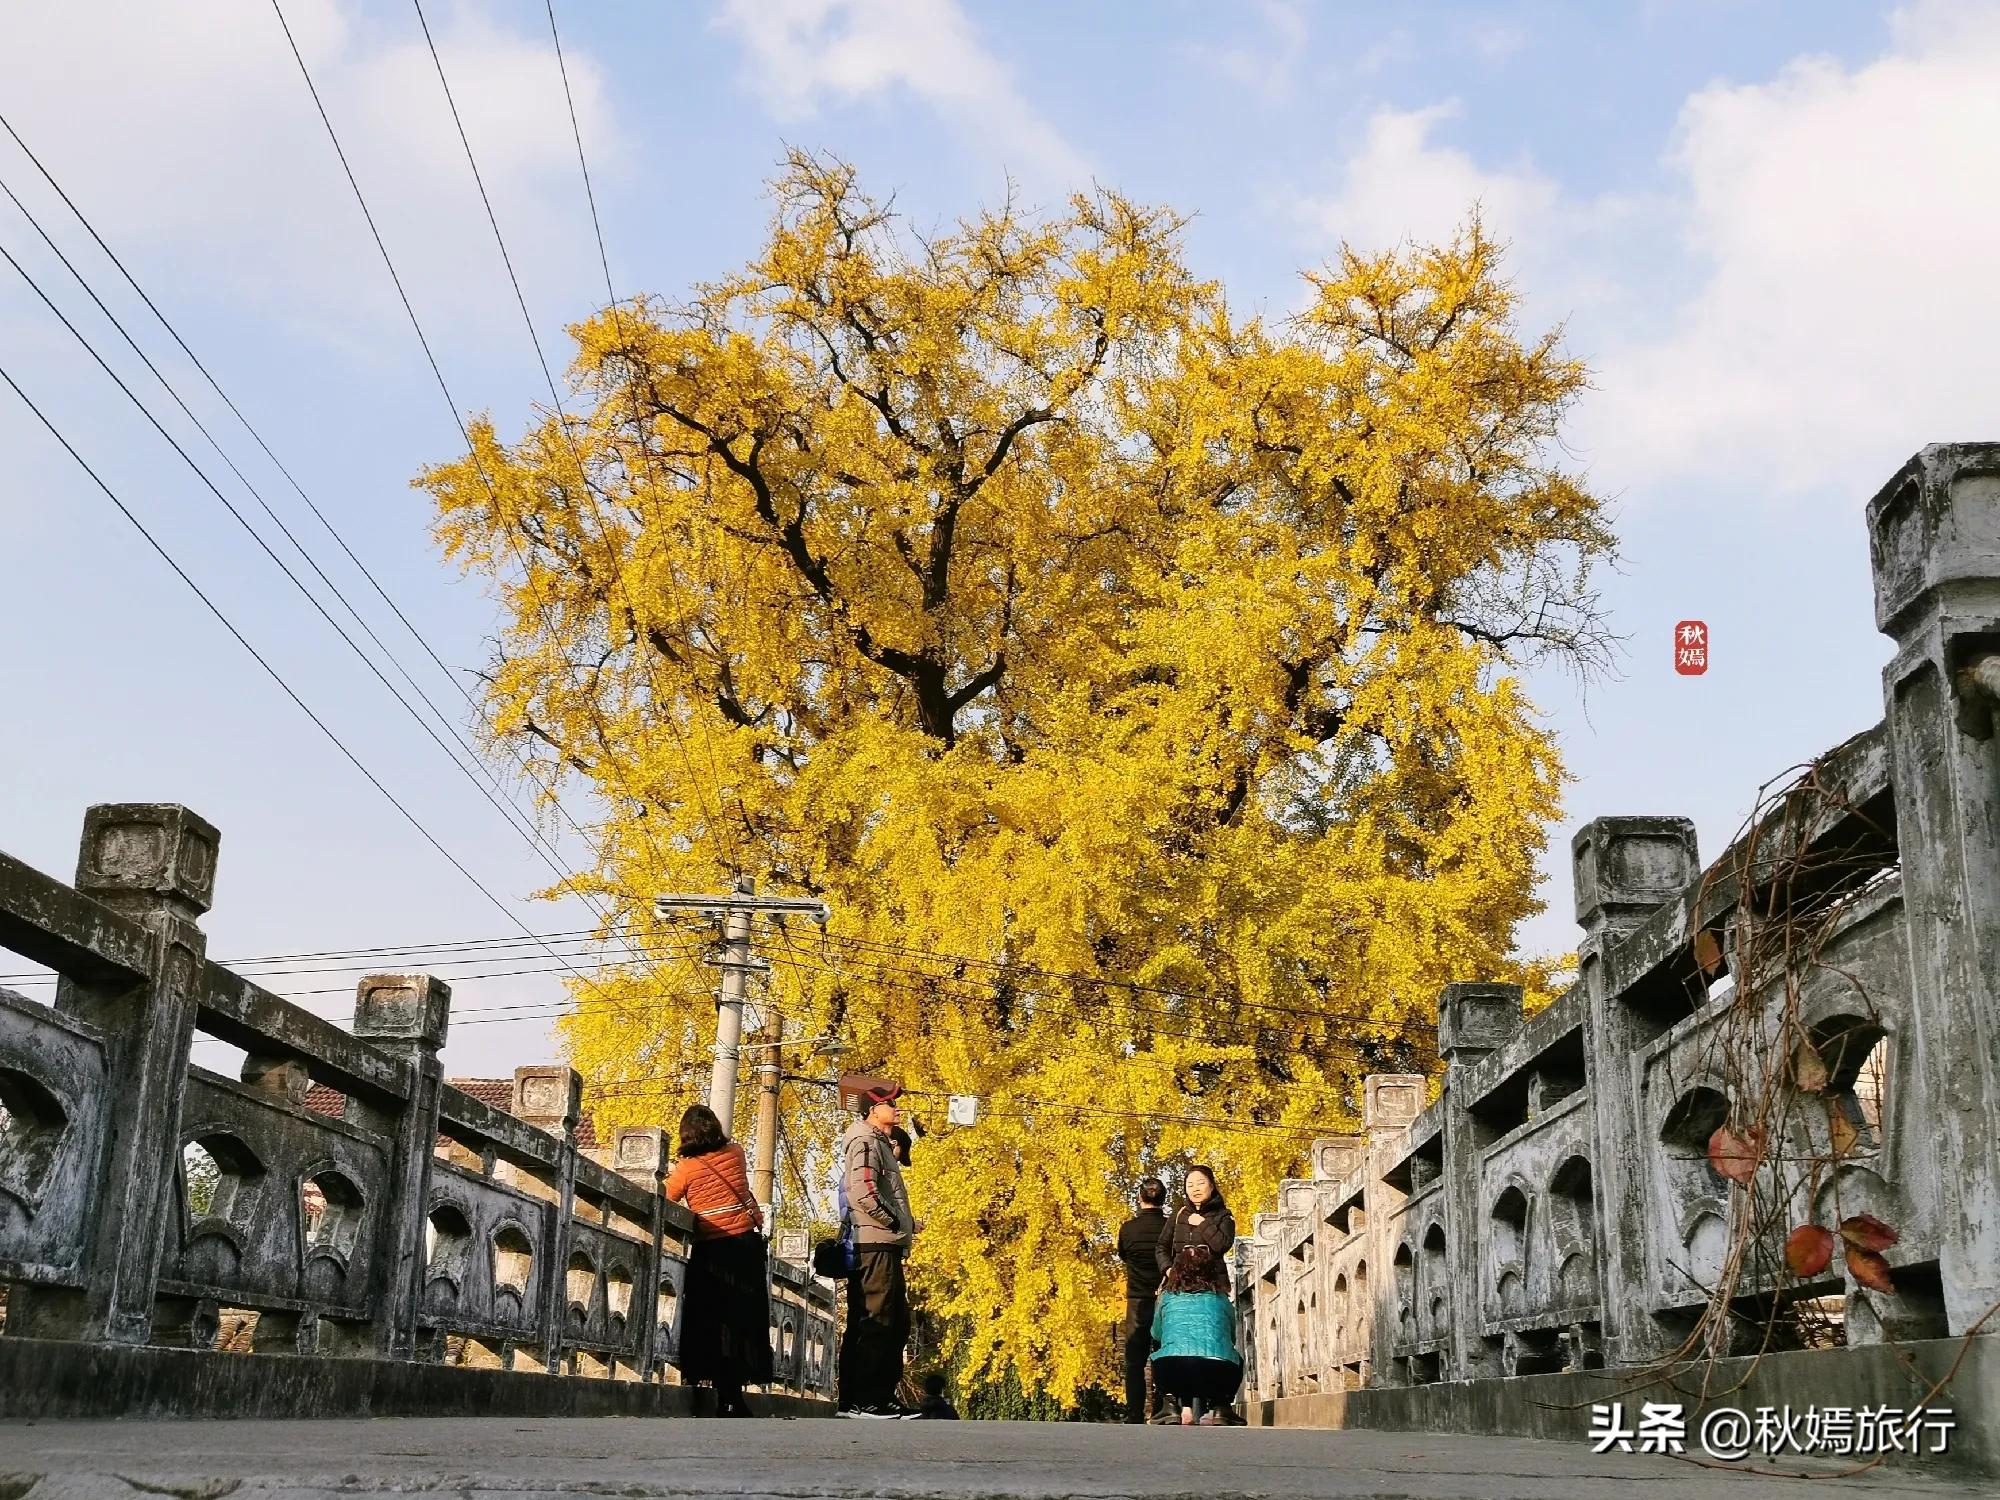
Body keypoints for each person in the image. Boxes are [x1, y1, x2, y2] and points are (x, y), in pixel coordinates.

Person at [662, 1103, 772, 1417]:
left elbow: (666, 1196)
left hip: (712, 1252)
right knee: (742, 1323)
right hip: (745, 1248)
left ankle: (716, 1391)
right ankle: (733, 1396)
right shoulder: (736, 1153)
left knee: (712, 1322)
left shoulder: (687, 1169)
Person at [837, 1084, 921, 1417]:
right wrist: (891, 1221)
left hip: (884, 1240)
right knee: (874, 1319)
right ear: (874, 1110)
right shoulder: (865, 1141)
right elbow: (862, 1191)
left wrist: (906, 1223)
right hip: (874, 1242)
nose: (896, 1108)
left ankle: (882, 1395)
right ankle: (862, 1399)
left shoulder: (880, 1143)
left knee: (895, 1321)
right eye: (890, 1104)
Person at [1148, 1243, 1244, 1426]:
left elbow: (1157, 1334)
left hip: (1172, 1371)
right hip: (1219, 1371)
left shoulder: (1167, 1297)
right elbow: (1231, 1336)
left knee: (1164, 1355)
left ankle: (1170, 1406)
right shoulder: (1221, 1298)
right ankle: (1221, 1406)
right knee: (1235, 1359)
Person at [1116, 1177, 1171, 1424]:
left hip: (1137, 1300)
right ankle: (1163, 1409)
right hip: (1167, 1299)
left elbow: (1124, 1255)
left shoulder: (1128, 1229)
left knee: (1135, 1361)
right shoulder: (1171, 1227)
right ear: (1164, 1199)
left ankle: (1134, 1413)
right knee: (1165, 1354)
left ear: (1139, 1198)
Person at [1155, 1165, 1236, 1278]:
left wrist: (1203, 1224)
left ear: (1211, 1186)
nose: (1195, 1189)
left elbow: (1222, 1246)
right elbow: (1162, 1246)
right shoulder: (1179, 1213)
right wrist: (1168, 1269)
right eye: (1190, 1185)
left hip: (1212, 1286)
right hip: (1180, 1286)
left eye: (1201, 1183)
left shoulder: (1223, 1214)